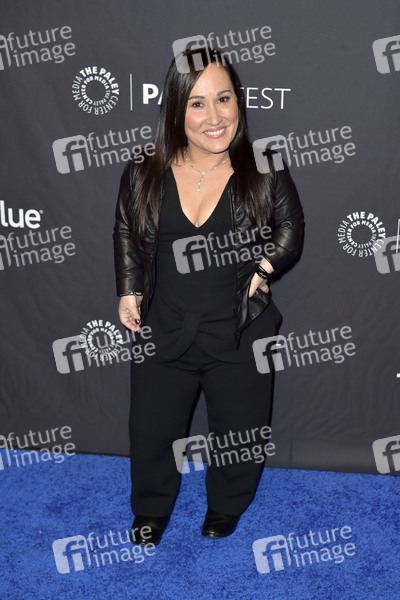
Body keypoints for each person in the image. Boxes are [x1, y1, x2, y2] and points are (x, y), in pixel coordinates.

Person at [113, 47, 303, 546]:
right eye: (197, 103)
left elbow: (291, 226)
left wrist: (264, 268)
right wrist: (129, 290)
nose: (215, 116)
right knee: (151, 431)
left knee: (241, 431)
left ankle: (226, 505)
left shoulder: (264, 166)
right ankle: (151, 509)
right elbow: (126, 232)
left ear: (238, 101)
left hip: (240, 329)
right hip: (163, 326)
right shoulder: (144, 169)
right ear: (177, 109)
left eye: (224, 98)